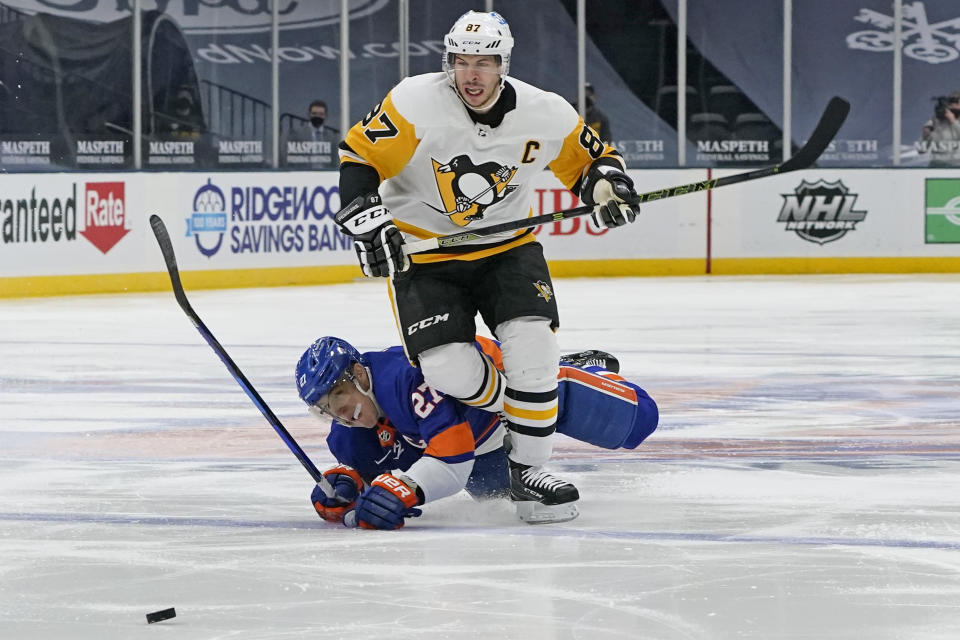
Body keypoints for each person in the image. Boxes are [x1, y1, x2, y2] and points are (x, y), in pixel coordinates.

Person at [332, 10, 641, 517]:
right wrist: (370, 219)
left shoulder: (547, 112)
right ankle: (534, 398)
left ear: (503, 64)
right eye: (461, 62)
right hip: (426, 255)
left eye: (484, 62)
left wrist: (607, 186)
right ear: (448, 62)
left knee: (533, 344)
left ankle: (530, 469)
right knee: (448, 370)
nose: (471, 74)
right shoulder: (414, 101)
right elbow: (360, 159)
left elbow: (591, 162)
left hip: (507, 248)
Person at [295, 335, 659, 529]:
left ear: (359, 374)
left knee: (638, 421)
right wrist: (345, 488)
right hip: (479, 443)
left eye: (338, 396)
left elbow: (451, 459)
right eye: (324, 408)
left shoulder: (402, 377)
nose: (338, 414)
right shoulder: (346, 435)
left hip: (513, 392)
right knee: (509, 504)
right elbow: (371, 476)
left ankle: (570, 368)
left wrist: (406, 489)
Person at [283, 99, 338, 168]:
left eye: (321, 114)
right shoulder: (296, 134)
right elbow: (288, 159)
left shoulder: (331, 138)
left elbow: (335, 161)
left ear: (326, 116)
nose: (317, 116)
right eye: (314, 113)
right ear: (308, 114)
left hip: (326, 176)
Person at [920, 92, 960, 167]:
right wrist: (925, 136)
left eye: (956, 103)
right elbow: (922, 150)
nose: (953, 106)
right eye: (951, 103)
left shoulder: (955, 122)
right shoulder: (936, 122)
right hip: (938, 166)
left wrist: (954, 122)